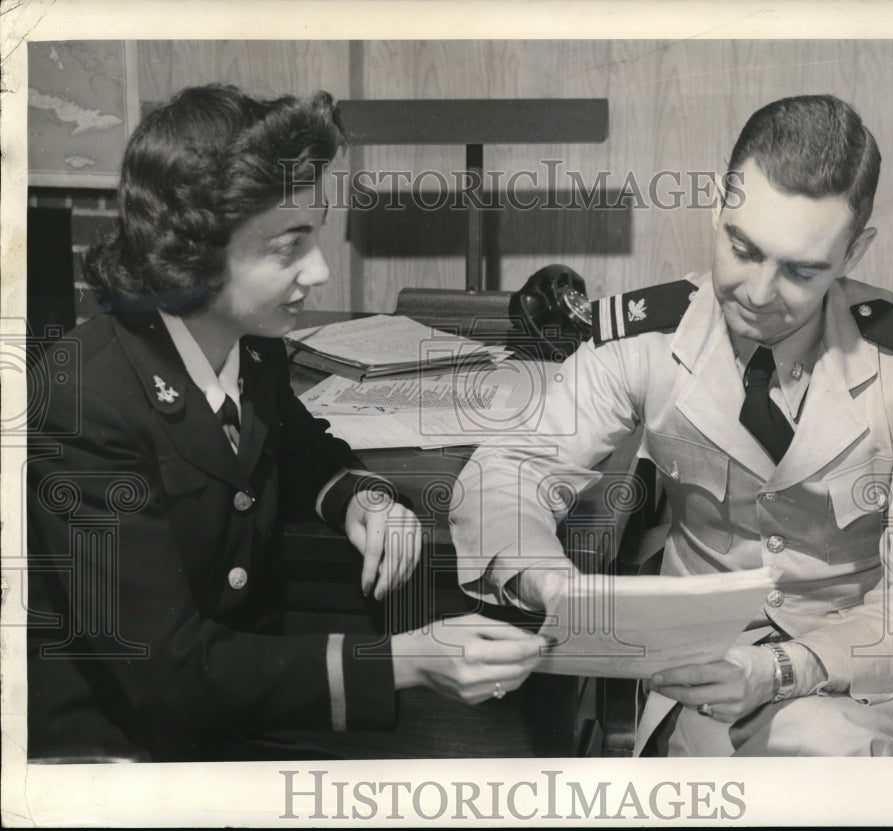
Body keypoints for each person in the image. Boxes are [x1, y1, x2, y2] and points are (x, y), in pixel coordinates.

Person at [26, 84, 545, 762]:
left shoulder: (250, 344)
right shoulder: (82, 400)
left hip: (227, 715)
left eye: (315, 234)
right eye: (287, 246)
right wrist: (404, 661)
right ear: (194, 249)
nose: (320, 270)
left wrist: (360, 496)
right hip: (110, 753)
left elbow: (295, 448)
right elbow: (167, 675)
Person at [450, 95, 893, 756]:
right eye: (742, 248)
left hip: (873, 673)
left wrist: (783, 669)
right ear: (717, 209)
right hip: (705, 666)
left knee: (819, 756)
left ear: (853, 253)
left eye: (801, 270)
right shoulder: (647, 337)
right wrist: (545, 578)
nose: (758, 292)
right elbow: (507, 468)